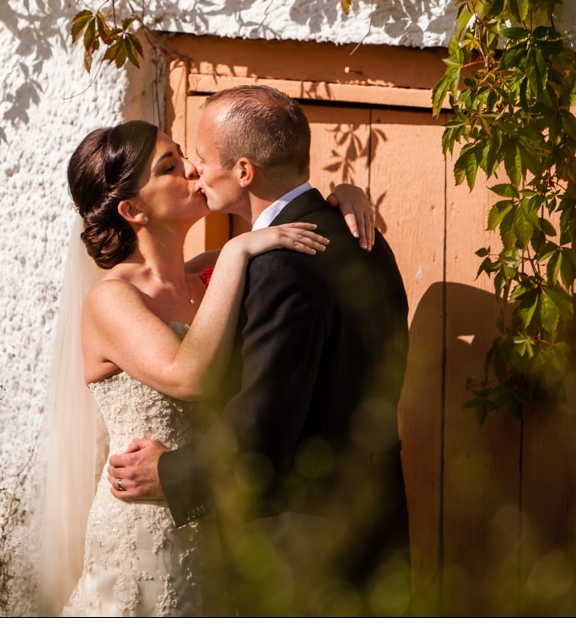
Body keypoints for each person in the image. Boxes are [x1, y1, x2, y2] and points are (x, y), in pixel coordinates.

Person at [38, 119, 375, 616]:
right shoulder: (113, 298)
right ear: (133, 210)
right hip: (144, 530)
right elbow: (187, 374)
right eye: (170, 167)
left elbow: (293, 237)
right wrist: (239, 248)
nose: (194, 170)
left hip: (213, 521)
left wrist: (342, 197)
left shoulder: (210, 272)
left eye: (184, 155)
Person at [106, 86, 411, 616]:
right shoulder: (362, 236)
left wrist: (171, 474)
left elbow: (263, 424)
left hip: (299, 550)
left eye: (199, 158)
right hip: (376, 534)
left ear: (244, 172)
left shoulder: (279, 265)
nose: (195, 172)